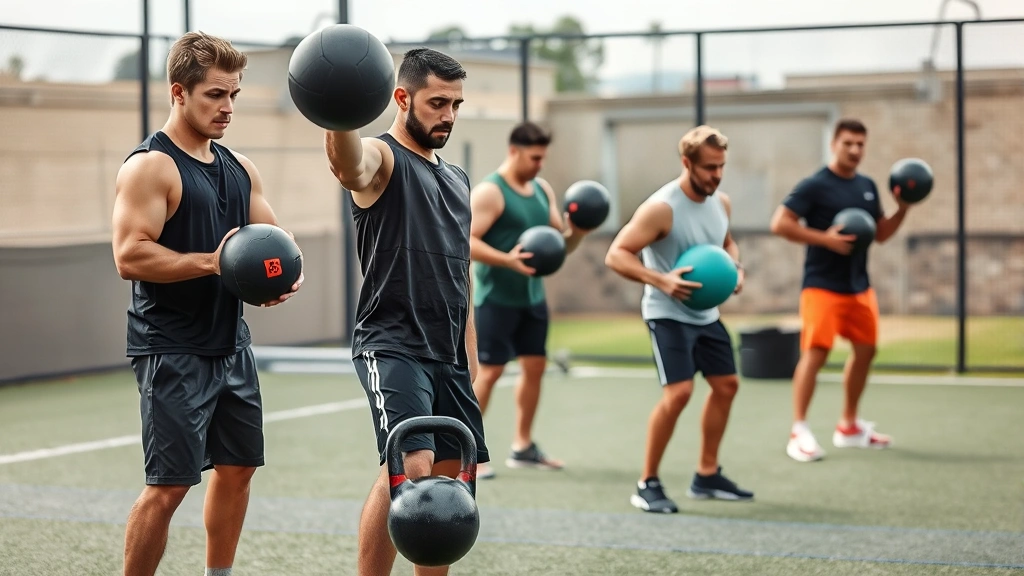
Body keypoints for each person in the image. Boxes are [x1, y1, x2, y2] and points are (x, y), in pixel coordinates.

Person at [110, 32, 302, 576]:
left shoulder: (240, 166)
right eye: (215, 95)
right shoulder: (151, 166)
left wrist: (286, 274)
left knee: (239, 468)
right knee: (169, 486)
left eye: (234, 95)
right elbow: (130, 255)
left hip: (230, 342)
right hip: (171, 345)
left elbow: (274, 240)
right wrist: (212, 263)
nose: (228, 107)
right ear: (179, 92)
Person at [322, 47, 488, 576]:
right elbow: (349, 164)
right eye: (438, 102)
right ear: (402, 97)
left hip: (449, 354)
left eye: (456, 104)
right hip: (392, 343)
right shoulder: (383, 158)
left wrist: (471, 357)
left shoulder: (460, 180)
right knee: (409, 469)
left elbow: (462, 274)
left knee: (449, 484)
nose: (449, 115)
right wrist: (339, 109)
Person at [605, 125, 753, 514]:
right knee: (680, 392)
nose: (716, 175)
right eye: (708, 168)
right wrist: (662, 281)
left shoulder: (721, 202)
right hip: (667, 313)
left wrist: (735, 269)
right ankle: (647, 483)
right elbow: (617, 254)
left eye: (721, 166)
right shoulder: (661, 208)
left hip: (706, 313)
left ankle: (706, 474)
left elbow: (726, 242)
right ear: (687, 163)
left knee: (727, 385)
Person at [770, 118, 910, 463]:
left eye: (860, 144)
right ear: (834, 144)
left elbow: (880, 234)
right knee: (816, 354)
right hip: (821, 286)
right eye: (848, 143)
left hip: (858, 286)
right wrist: (825, 240)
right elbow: (780, 223)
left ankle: (848, 425)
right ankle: (798, 430)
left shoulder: (866, 185)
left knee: (866, 351)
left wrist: (904, 207)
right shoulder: (815, 185)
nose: (854, 150)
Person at [469, 121, 591, 479]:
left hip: (532, 298)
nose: (540, 165)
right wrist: (508, 259)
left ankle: (522, 447)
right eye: (535, 158)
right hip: (496, 297)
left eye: (543, 158)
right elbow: (467, 241)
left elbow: (559, 244)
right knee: (489, 373)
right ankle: (467, 452)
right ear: (514, 151)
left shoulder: (542, 189)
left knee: (535, 367)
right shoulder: (491, 192)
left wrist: (579, 231)